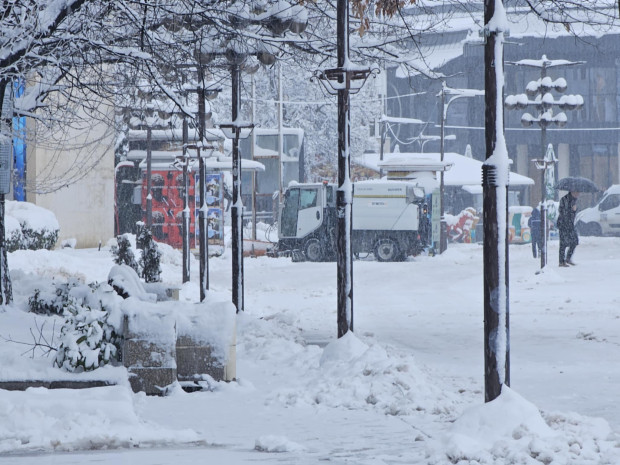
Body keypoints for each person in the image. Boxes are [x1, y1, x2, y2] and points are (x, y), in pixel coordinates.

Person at [557, 191, 579, 267]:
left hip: (570, 224)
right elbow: (563, 212)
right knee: (563, 243)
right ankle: (561, 261)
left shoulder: (573, 200)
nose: (578, 194)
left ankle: (568, 258)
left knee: (575, 241)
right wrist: (572, 210)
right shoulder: (565, 199)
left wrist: (574, 210)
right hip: (563, 224)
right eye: (577, 192)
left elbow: (572, 214)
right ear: (573, 192)